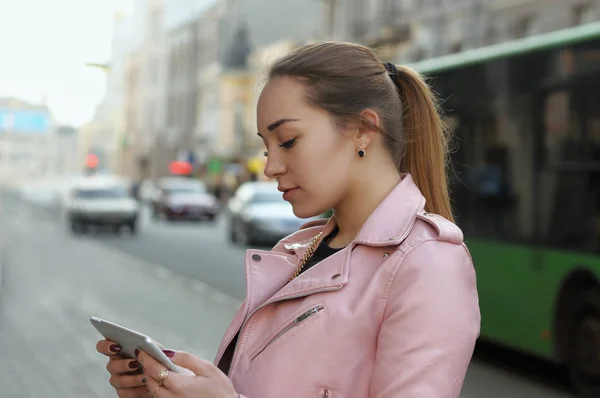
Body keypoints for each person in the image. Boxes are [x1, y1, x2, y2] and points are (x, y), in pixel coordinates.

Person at [95, 41, 481, 398]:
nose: (271, 167)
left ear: (364, 129)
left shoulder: (428, 262)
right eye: (266, 146)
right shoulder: (298, 249)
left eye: (288, 141)